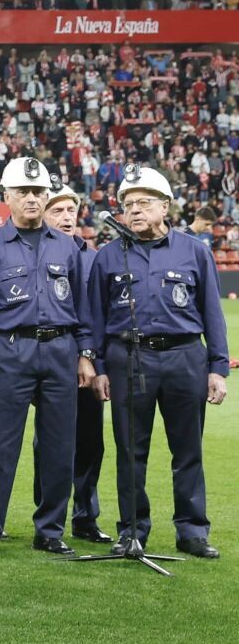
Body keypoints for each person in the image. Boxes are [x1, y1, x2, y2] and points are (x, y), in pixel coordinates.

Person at [87, 166, 227, 559]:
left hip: (185, 356)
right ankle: (133, 530)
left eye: (144, 203)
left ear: (165, 206)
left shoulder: (195, 251)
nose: (134, 210)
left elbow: (212, 313)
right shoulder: (108, 256)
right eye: (128, 204)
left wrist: (217, 367)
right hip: (128, 357)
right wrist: (98, 367)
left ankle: (192, 531)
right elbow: (96, 318)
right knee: (131, 451)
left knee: (188, 450)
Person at [0, 158, 91, 557]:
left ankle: (50, 530)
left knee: (58, 445)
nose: (32, 198)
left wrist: (85, 354)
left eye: (38, 192)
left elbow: (83, 307)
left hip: (60, 350)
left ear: (46, 196)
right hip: (10, 350)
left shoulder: (67, 246)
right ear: (7, 197)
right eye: (23, 192)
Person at [44, 184, 110, 543]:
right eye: (58, 210)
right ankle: (47, 514)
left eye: (71, 210)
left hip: (87, 363)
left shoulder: (94, 256)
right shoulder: (33, 253)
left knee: (90, 442)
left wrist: (93, 360)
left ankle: (85, 518)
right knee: (50, 442)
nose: (67, 217)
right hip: (47, 359)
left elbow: (101, 314)